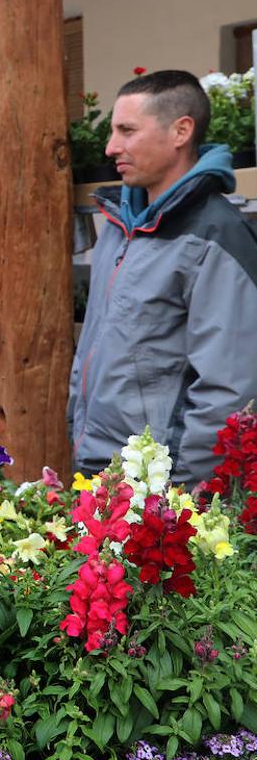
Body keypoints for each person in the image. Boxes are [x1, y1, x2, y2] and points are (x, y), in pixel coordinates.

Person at [69, 69, 257, 484]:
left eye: (127, 130)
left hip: (161, 490)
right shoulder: (119, 225)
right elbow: (95, 347)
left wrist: (187, 494)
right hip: (101, 470)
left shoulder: (215, 236)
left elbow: (229, 386)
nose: (110, 146)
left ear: (181, 131)